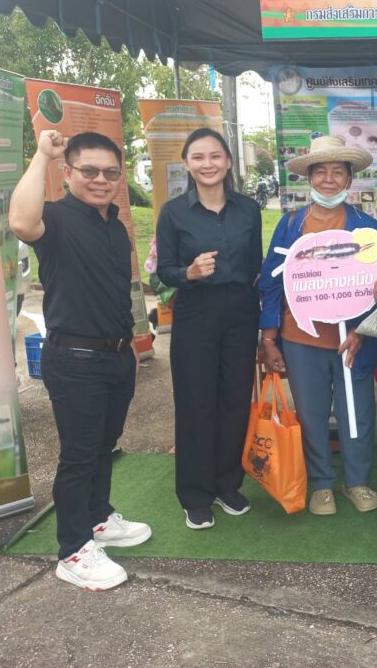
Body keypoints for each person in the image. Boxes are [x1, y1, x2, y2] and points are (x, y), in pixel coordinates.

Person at [9, 130, 150, 591]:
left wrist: (131, 346)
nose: (100, 180)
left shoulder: (115, 227)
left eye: (110, 172)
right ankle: (72, 549)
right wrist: (42, 155)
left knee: (105, 444)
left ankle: (98, 517)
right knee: (79, 454)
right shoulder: (54, 218)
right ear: (68, 172)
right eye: (89, 171)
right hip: (74, 359)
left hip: (116, 355)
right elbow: (20, 222)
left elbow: (116, 293)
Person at [259, 135, 377, 516]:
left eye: (337, 172)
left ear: (349, 179)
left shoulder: (367, 227)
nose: (329, 180)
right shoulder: (290, 225)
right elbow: (271, 281)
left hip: (353, 340)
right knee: (311, 413)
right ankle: (322, 483)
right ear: (309, 178)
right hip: (301, 338)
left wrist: (364, 330)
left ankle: (357, 480)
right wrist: (269, 337)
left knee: (356, 411)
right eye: (321, 172)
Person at [156, 128, 262, 530]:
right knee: (196, 403)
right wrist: (189, 272)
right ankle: (195, 494)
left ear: (228, 162)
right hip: (195, 313)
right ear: (187, 164)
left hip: (241, 313)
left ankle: (226, 484)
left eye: (215, 156)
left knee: (235, 400)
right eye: (198, 157)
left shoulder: (248, 209)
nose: (208, 164)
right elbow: (163, 272)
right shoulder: (173, 213)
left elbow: (256, 265)